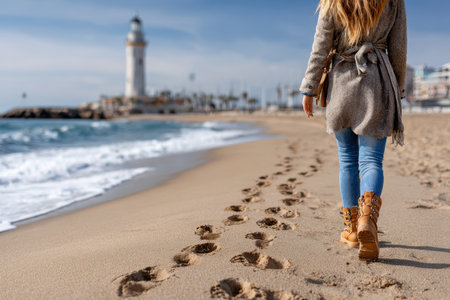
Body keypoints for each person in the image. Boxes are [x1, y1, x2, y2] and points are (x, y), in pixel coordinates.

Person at [299, 0, 406, 260]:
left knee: (347, 161)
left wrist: (309, 87)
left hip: (342, 83)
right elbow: (398, 47)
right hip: (377, 81)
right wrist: (398, 88)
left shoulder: (332, 1)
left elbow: (321, 46)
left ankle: (352, 228)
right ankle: (367, 221)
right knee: (370, 161)